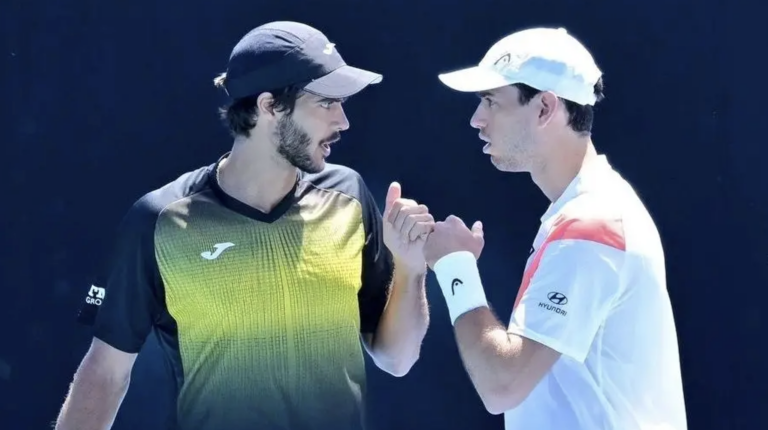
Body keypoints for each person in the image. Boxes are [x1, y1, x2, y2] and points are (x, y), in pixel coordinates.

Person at [55, 21, 432, 430]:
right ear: (270, 106)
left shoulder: (351, 196)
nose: (343, 121)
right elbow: (105, 374)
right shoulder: (158, 219)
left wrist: (411, 269)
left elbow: (397, 358)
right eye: (326, 103)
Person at [423, 27, 688, 430]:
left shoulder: (591, 224)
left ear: (545, 108)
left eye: (491, 102)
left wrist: (454, 267)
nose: (477, 119)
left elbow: (502, 386)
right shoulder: (592, 211)